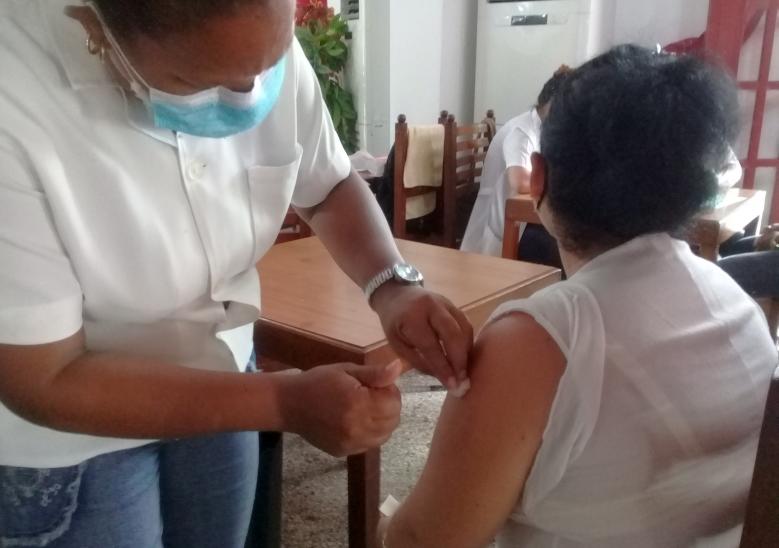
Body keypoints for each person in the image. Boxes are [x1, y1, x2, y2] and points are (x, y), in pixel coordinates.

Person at [0, 1, 473, 546]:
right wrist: (283, 402)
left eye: (269, 63)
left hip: (227, 367)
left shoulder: (251, 32)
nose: (251, 94)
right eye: (200, 81)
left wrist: (392, 286)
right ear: (92, 25)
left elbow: (328, 183)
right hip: (75, 436)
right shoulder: (17, 93)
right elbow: (44, 376)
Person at [381, 45, 777, 547]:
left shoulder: (538, 340)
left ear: (539, 178)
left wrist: (388, 524)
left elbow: (425, 540)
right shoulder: (738, 303)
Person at [460, 67, 570, 263]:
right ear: (552, 105)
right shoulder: (522, 131)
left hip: (516, 221)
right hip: (499, 227)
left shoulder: (541, 129)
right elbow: (519, 181)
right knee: (559, 242)